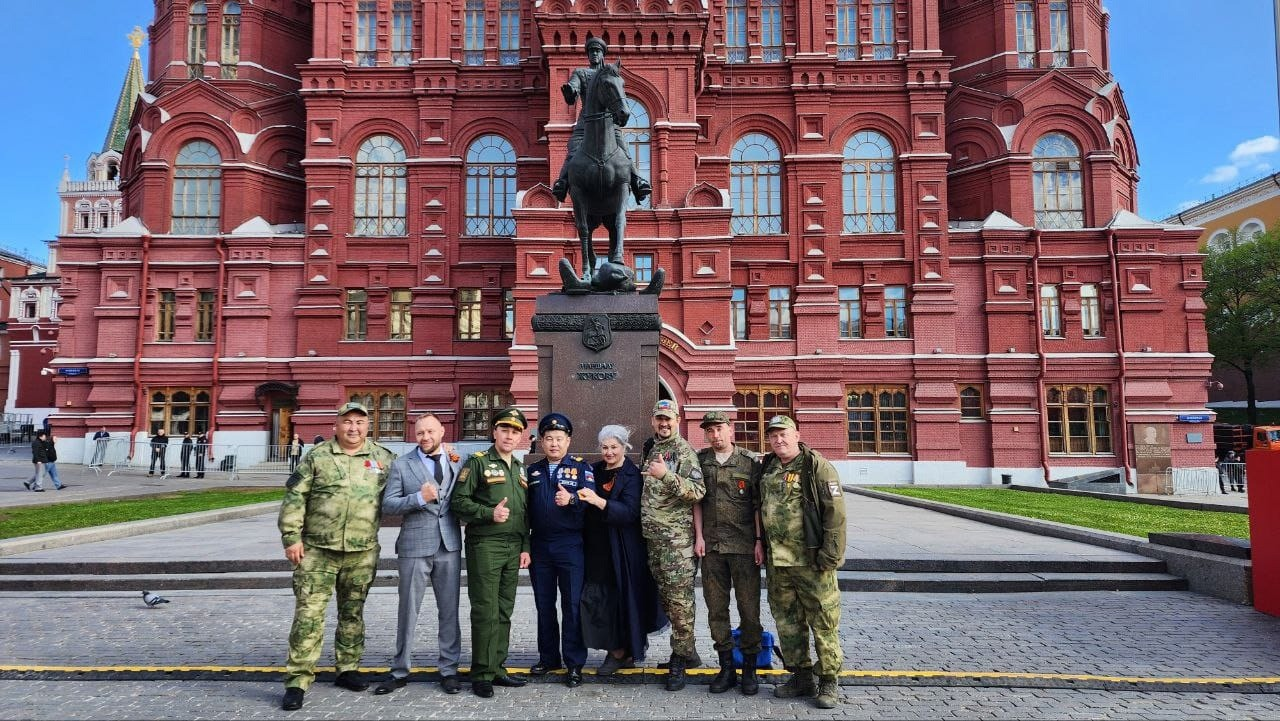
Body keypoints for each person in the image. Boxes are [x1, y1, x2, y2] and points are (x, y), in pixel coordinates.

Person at [277, 402, 395, 711]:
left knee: (352, 613)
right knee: (308, 615)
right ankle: (298, 679)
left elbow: (407, 486)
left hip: (362, 550)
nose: (353, 428)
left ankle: (348, 668)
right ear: (336, 426)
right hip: (317, 551)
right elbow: (294, 498)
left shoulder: (383, 458)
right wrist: (291, 538)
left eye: (359, 422)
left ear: (368, 426)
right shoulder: (317, 457)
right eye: (347, 422)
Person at [757, 415, 846, 709]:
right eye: (773, 436)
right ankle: (800, 676)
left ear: (797, 434)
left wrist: (830, 555)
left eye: (784, 434)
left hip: (811, 561)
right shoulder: (768, 467)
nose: (778, 440)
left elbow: (835, 513)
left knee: (823, 620)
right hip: (778, 563)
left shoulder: (816, 467)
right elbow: (760, 508)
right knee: (788, 622)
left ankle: (829, 680)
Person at [376, 414, 465, 696]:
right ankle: (400, 669)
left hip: (449, 545)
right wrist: (418, 498)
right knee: (408, 611)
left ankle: (449, 670)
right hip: (414, 546)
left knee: (450, 611)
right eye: (419, 433)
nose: (425, 437)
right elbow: (388, 504)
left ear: (442, 431)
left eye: (430, 431)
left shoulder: (457, 460)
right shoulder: (403, 465)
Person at [449, 406, 532, 699]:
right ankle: (481, 673)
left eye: (515, 431)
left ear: (521, 436)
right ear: (494, 432)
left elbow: (523, 513)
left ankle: (497, 667)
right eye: (505, 429)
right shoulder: (478, 463)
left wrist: (525, 547)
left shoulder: (520, 469)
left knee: (504, 610)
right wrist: (487, 513)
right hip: (485, 545)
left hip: (512, 548)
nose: (510, 436)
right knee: (485, 610)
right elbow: (458, 502)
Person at [578, 424, 667, 676]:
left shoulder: (632, 475)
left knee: (623, 597)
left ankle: (621, 651)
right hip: (596, 546)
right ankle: (615, 647)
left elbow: (630, 512)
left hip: (624, 547)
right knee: (601, 598)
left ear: (624, 447)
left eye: (614, 447)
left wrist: (598, 501)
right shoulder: (592, 470)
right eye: (604, 447)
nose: (609, 452)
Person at [694, 411, 763, 695]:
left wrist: (759, 540)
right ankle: (726, 667)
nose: (715, 435)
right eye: (709, 431)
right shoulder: (700, 461)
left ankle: (749, 668)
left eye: (719, 429)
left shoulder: (749, 462)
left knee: (749, 610)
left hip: (745, 547)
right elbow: (696, 501)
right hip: (712, 547)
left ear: (730, 430)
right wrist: (698, 537)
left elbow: (758, 504)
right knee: (716, 610)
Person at [639, 398, 705, 691]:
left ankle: (680, 658)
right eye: (659, 419)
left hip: (676, 542)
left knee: (680, 603)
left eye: (668, 419)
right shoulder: (652, 448)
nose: (664, 424)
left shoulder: (684, 451)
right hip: (654, 541)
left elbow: (698, 491)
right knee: (669, 601)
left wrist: (666, 475)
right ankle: (688, 652)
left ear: (677, 419)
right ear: (653, 420)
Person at [526, 413, 595, 687]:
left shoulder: (581, 468)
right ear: (541, 441)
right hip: (540, 546)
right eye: (549, 439)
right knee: (544, 606)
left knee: (572, 606)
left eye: (559, 439)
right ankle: (548, 657)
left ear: (568, 440)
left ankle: (574, 663)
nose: (554, 444)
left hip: (570, 546)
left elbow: (590, 497)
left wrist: (573, 498)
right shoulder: (532, 471)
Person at [550, 37, 651, 204]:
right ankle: (562, 182)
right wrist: (570, 91)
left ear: (603, 54)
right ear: (588, 55)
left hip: (610, 124)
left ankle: (637, 181)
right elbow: (573, 91)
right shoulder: (581, 73)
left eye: (598, 51)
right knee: (573, 150)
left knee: (624, 149)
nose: (594, 54)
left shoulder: (610, 73)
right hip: (585, 124)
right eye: (591, 52)